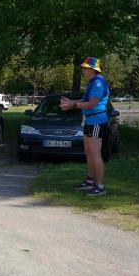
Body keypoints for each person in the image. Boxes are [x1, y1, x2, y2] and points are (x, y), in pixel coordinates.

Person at [60, 56, 110, 196]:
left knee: (95, 154)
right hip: (89, 120)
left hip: (96, 121)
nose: (83, 70)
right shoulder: (92, 82)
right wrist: (72, 101)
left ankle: (100, 187)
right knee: (89, 152)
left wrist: (73, 105)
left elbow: (92, 104)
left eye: (85, 68)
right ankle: (90, 181)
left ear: (92, 69)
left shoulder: (98, 83)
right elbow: (86, 100)